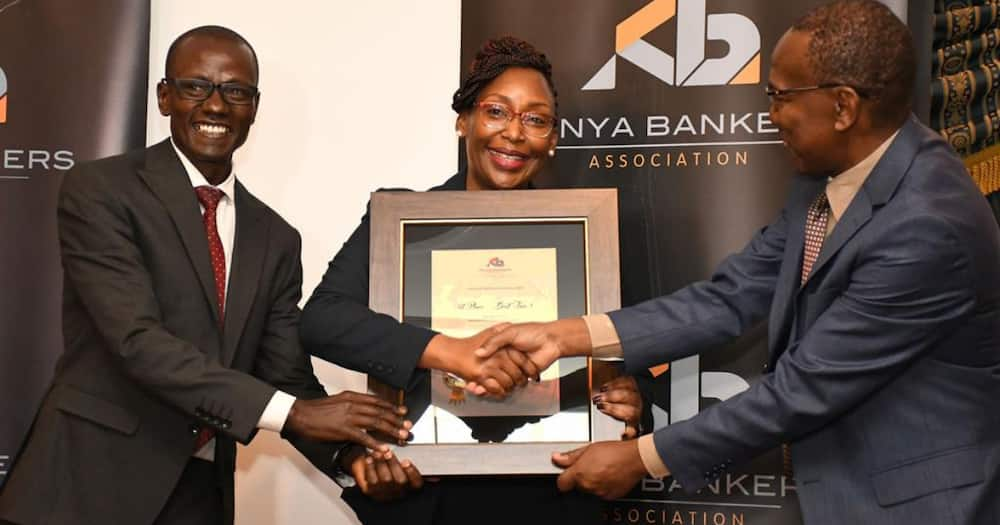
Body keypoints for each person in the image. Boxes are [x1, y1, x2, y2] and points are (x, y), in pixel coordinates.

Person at [474, 2, 1000, 524]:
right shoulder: (826, 177)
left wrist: (640, 458)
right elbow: (730, 296)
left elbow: (804, 387)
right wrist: (562, 337)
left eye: (780, 96)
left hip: (918, 506)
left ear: (842, 107)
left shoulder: (927, 227)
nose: (771, 115)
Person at [0, 26, 410, 525]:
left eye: (236, 91)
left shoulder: (275, 237)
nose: (216, 106)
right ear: (164, 97)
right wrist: (295, 414)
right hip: (85, 486)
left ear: (254, 108)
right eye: (196, 86)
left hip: (199, 492)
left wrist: (353, 457)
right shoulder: (101, 190)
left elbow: (284, 373)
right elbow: (137, 341)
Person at [300, 36, 643, 525]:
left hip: (555, 498)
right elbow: (323, 320)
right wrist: (449, 350)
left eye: (536, 119)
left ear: (553, 138)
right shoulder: (401, 223)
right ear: (463, 121)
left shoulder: (585, 235)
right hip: (428, 500)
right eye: (497, 111)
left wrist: (632, 406)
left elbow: (633, 353)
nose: (515, 133)